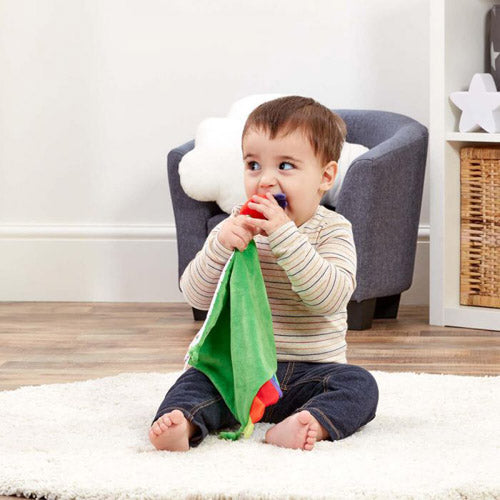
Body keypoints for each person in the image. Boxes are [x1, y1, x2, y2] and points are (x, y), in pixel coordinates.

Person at [149, 96, 379, 452]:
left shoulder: (332, 230)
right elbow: (195, 296)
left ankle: (308, 422)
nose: (265, 180)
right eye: (254, 165)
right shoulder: (234, 227)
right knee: (196, 379)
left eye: (285, 166)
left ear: (326, 176)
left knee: (360, 386)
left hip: (310, 372)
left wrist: (285, 235)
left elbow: (330, 297)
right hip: (242, 371)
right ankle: (187, 422)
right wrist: (221, 246)